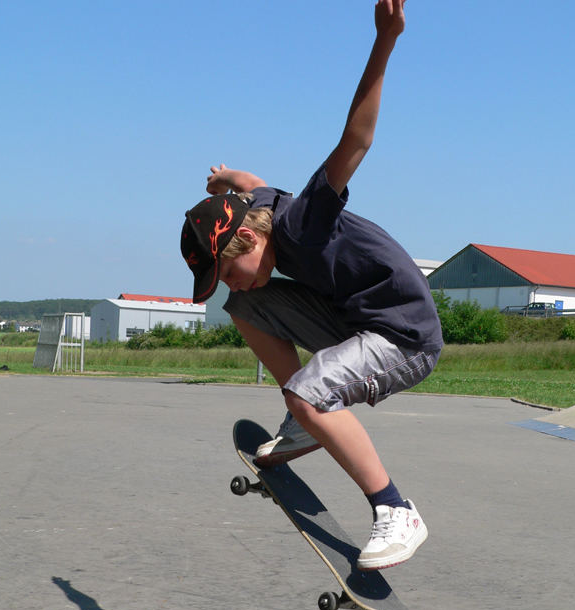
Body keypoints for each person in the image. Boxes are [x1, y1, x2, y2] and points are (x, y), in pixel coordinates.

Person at [180, 0, 443, 571]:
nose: (230, 279)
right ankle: (302, 419)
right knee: (243, 307)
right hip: (355, 322)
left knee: (307, 387)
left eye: (226, 267)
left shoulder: (303, 220)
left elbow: (356, 140)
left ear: (247, 242)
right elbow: (253, 184)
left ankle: (395, 509)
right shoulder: (258, 210)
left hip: (404, 337)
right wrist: (227, 178)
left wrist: (385, 41)